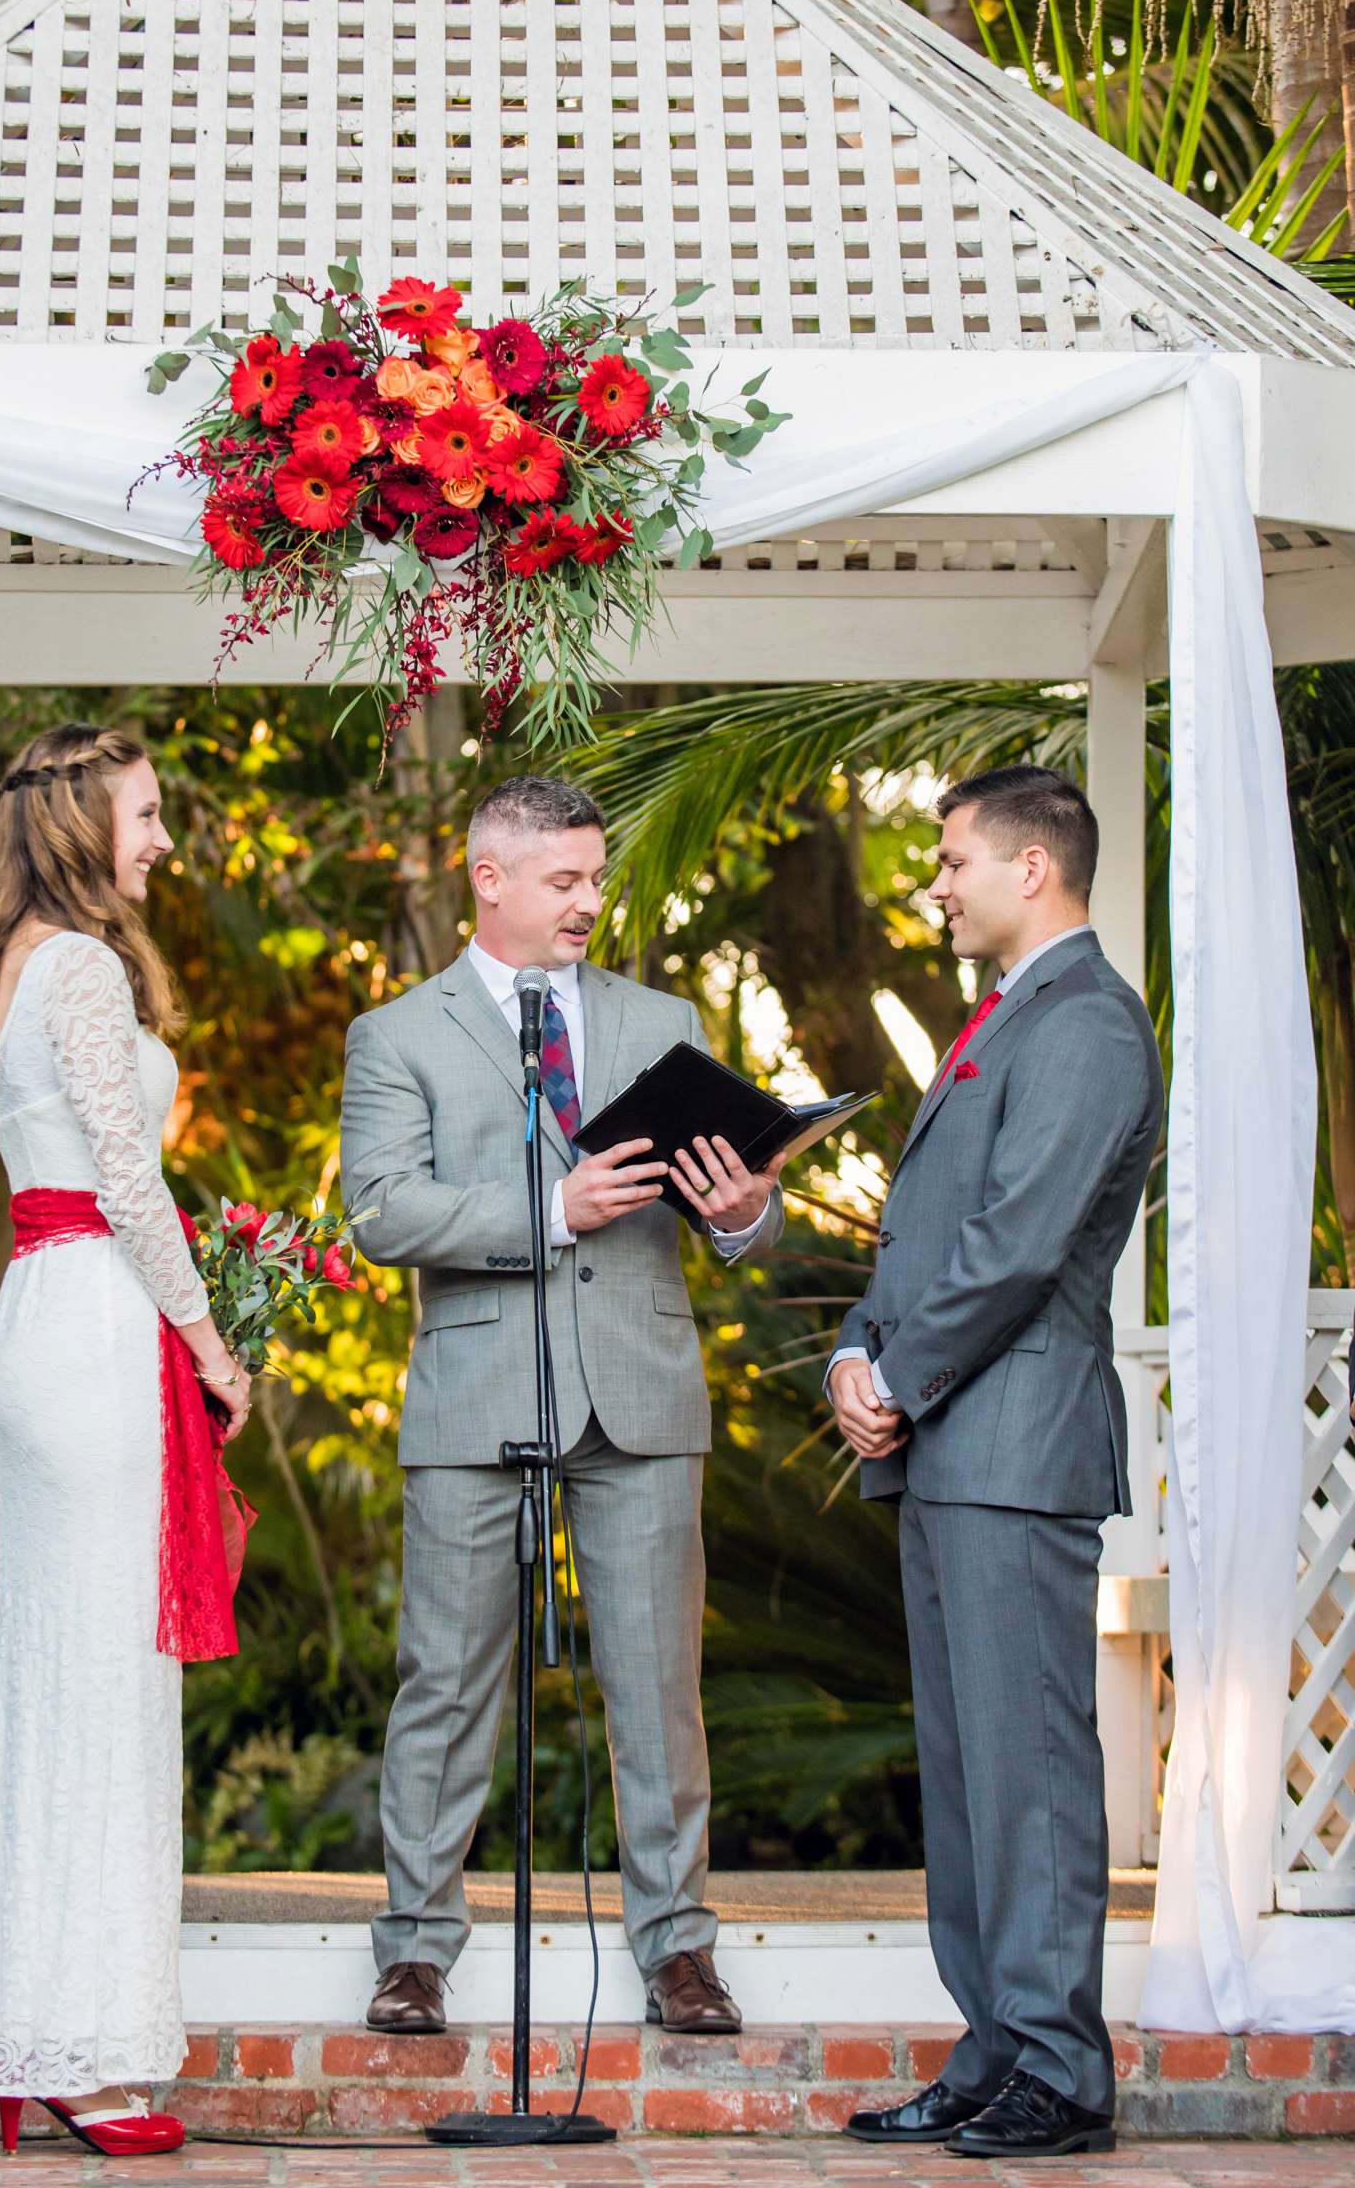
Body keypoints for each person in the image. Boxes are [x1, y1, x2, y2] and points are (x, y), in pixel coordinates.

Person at [340, 775, 784, 2034]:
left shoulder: (661, 1017)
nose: (593, 901)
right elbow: (381, 1211)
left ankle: (677, 1952)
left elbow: (731, 1200)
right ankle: (415, 1951)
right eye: (566, 880)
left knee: (659, 1687)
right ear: (491, 879)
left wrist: (746, 1208)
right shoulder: (400, 1033)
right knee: (445, 1682)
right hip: (477, 1393)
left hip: (639, 1394)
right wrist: (550, 1210)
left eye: (598, 878)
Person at [831, 764, 1163, 2160]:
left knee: (1029, 1765)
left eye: (955, 856)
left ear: (1033, 868)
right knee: (969, 1775)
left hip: (1015, 1449)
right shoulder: (1004, 1017)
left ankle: (1061, 2073)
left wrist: (898, 1376)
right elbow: (926, 1226)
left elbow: (1021, 1242)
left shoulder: (1085, 1022)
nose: (938, 879)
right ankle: (994, 2048)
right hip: (949, 1446)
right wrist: (857, 1349)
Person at [0, 724, 253, 2158]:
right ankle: (73, 2042)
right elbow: (129, 1181)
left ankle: (43, 2027)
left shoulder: (4, 971)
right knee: (97, 1680)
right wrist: (208, 1342)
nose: (159, 841)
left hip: (41, 1316)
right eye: (143, 815)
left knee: (64, 1670)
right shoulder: (74, 966)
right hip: (92, 1324)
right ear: (81, 821)